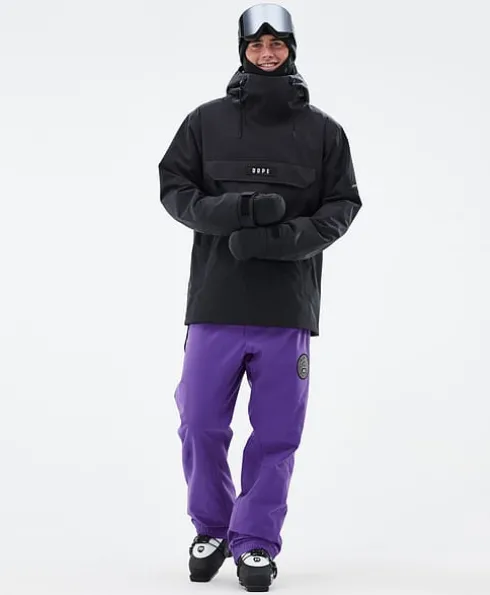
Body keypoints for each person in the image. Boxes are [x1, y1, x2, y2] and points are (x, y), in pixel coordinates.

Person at [158, 3, 362, 591]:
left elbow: (342, 205)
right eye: (257, 44)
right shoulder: (205, 122)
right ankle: (213, 528)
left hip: (286, 309)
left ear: (291, 49)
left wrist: (280, 241)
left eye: (277, 44)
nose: (267, 53)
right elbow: (174, 189)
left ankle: (255, 543)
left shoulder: (324, 132)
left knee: (276, 435)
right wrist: (239, 211)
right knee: (199, 424)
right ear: (243, 49)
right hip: (215, 303)